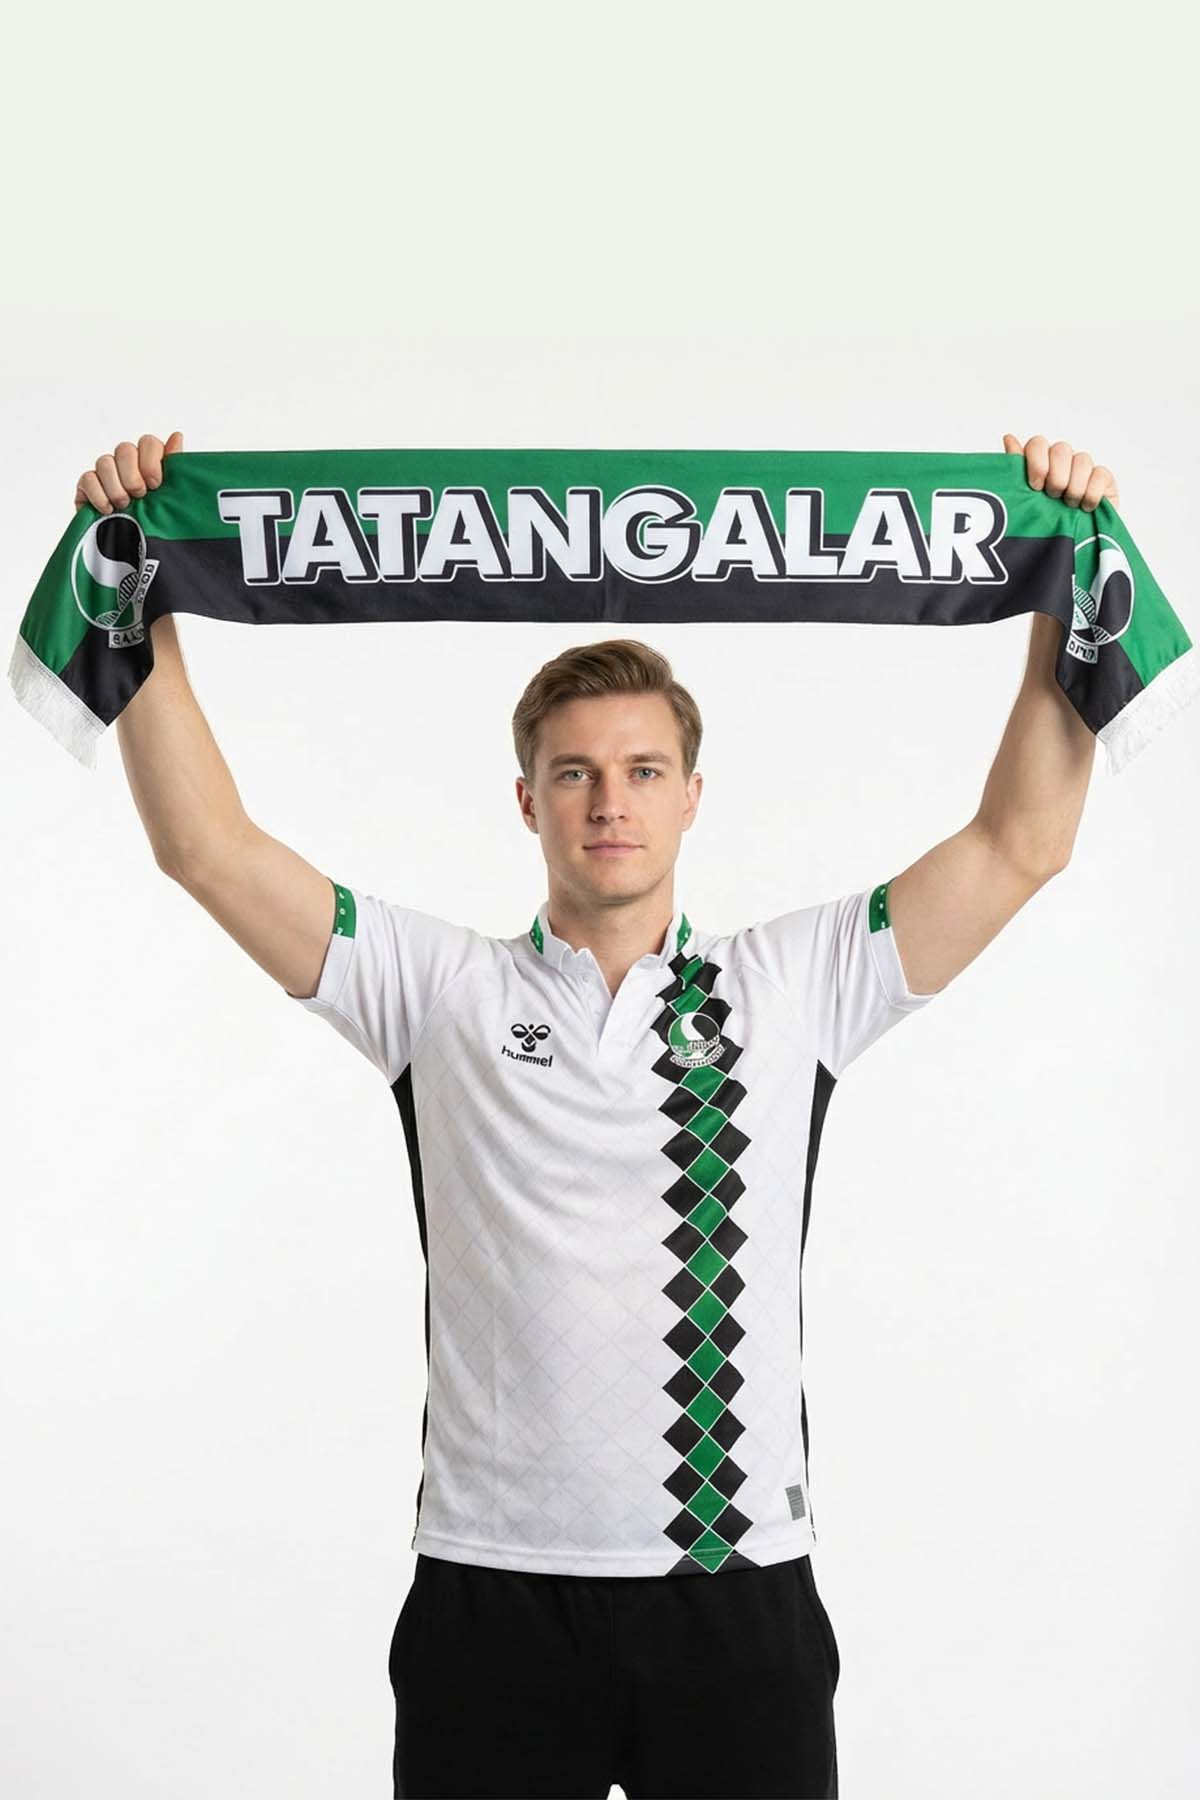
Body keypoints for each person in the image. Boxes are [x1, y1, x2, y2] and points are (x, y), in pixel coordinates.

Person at [74, 430, 1114, 1800]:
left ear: (692, 796)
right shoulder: (438, 990)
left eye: (641, 770)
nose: (609, 801)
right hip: (490, 1598)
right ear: (528, 800)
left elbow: (1020, 845)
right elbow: (206, 849)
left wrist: (1062, 591)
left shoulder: (795, 984)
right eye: (574, 772)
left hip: (734, 1590)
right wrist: (141, 592)